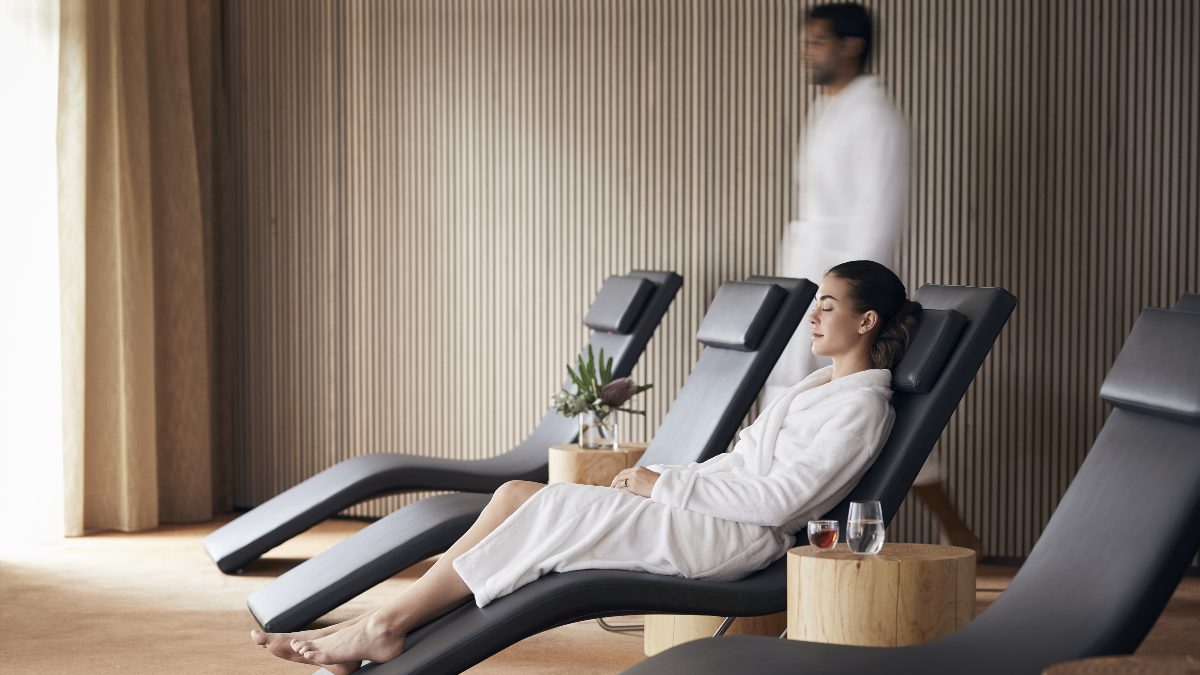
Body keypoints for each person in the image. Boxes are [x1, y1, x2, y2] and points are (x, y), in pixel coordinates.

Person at [251, 260, 921, 673]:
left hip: (732, 537)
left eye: (828, 304)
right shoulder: (819, 390)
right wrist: (664, 483)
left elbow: (778, 504)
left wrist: (665, 482)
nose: (814, 314)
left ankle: (383, 626)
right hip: (706, 508)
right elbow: (746, 468)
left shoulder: (860, 410)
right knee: (520, 490)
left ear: (865, 320)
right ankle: (397, 620)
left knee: (555, 505)